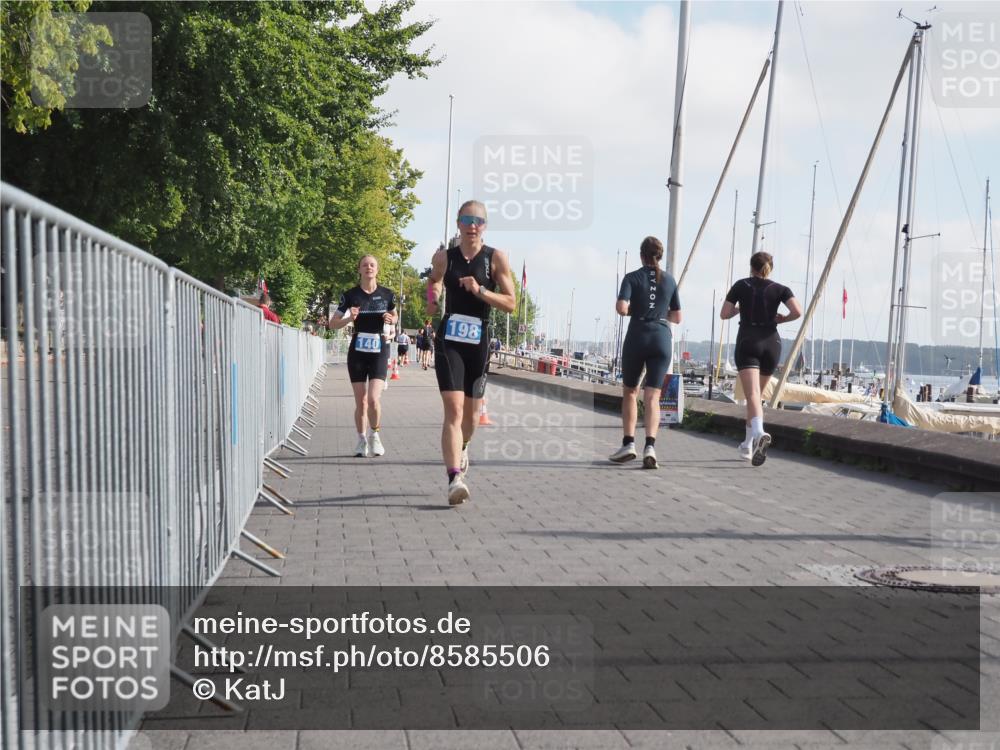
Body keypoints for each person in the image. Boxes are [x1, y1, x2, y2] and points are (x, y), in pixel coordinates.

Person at [427, 200, 516, 505]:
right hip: (450, 338)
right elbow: (434, 280)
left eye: (478, 220)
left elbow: (511, 302)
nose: (472, 225)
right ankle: (454, 478)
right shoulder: (444, 257)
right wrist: (432, 297)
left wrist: (480, 291)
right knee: (453, 410)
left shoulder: (495, 258)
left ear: (485, 226)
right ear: (458, 223)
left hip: (479, 339)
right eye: (467, 219)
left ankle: (462, 446)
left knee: (472, 416)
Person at [720, 251, 802, 466]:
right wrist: (783, 320)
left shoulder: (741, 285)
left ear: (751, 266)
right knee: (755, 398)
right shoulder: (780, 289)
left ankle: (759, 432)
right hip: (772, 344)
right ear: (769, 268)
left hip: (749, 340)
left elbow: (724, 313)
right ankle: (747, 446)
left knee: (753, 395)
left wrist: (739, 309)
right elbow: (797, 311)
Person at [609, 237, 682, 469]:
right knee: (653, 397)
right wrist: (658, 313)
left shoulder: (632, 277)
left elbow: (621, 308)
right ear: (659, 256)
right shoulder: (670, 280)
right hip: (661, 338)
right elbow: (678, 317)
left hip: (638, 336)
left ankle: (628, 443)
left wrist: (639, 310)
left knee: (631, 392)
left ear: (642, 255)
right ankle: (650, 447)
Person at [326, 255, 397, 458]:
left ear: (377, 269)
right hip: (357, 351)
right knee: (361, 402)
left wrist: (392, 318)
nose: (368, 267)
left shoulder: (387, 294)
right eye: (365, 265)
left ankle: (375, 434)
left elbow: (395, 314)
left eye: (372, 265)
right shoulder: (350, 295)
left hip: (379, 349)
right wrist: (350, 318)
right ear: (359, 269)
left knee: (374, 399)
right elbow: (333, 323)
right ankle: (361, 440)